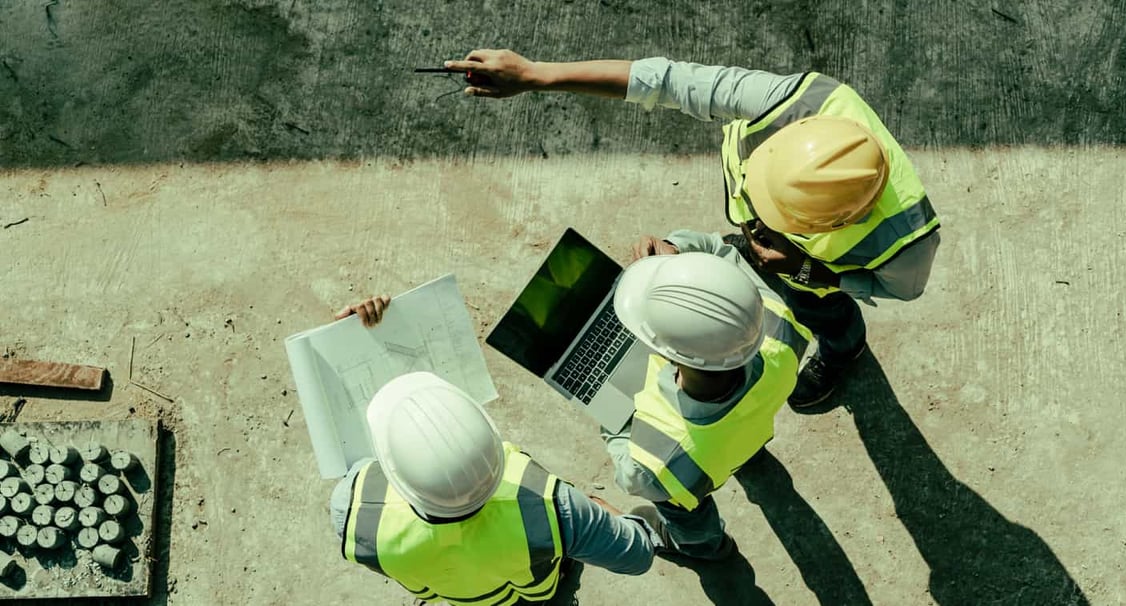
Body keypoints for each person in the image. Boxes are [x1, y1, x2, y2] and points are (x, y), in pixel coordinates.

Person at [443, 49, 941, 408]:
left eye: (773, 215)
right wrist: (536, 75)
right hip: (793, 258)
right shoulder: (793, 102)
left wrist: (812, 272)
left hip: (814, 276)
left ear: (834, 221)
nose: (755, 219)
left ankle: (844, 345)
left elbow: (901, 291)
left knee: (824, 312)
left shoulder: (908, 245)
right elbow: (666, 81)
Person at [329, 298, 660, 605]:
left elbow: (358, 455)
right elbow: (636, 555)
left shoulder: (353, 511)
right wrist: (599, 515)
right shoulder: (555, 507)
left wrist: (349, 342)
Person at [599, 233, 813, 560]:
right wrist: (678, 257)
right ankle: (749, 459)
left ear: (666, 356)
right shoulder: (781, 330)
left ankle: (705, 547)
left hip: (693, 472)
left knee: (686, 514)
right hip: (743, 433)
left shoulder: (656, 464)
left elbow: (630, 473)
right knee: (740, 439)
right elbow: (719, 253)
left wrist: (605, 402)